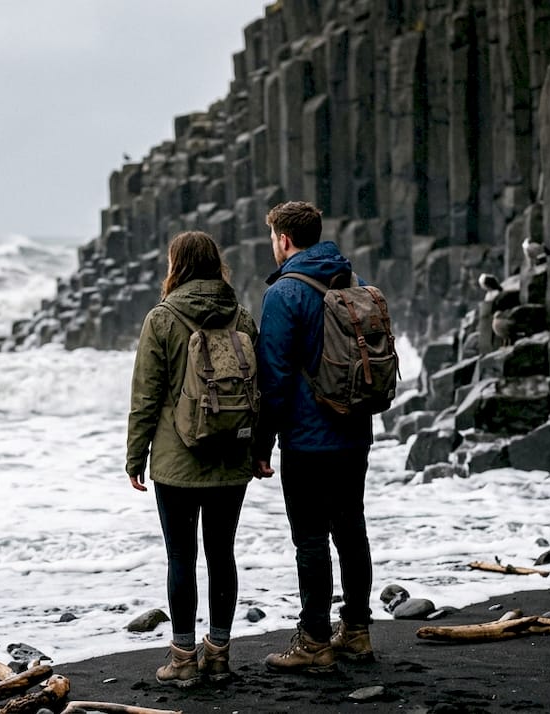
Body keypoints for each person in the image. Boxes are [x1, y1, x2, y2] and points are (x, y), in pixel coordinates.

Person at [126, 230, 259, 687]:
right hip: (232, 455)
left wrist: (135, 456)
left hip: (176, 459)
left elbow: (145, 396)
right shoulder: (240, 316)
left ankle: (182, 656)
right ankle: (218, 653)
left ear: (176, 265)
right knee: (222, 554)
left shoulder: (162, 319)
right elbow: (259, 391)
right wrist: (260, 450)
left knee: (181, 555)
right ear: (216, 265)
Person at [253, 201, 375, 671]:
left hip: (307, 439)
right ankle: (358, 631)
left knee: (310, 539)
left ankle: (314, 641)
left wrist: (262, 444)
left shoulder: (285, 292)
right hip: (354, 431)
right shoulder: (351, 280)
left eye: (273, 239)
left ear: (283, 239)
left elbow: (275, 378)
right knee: (351, 529)